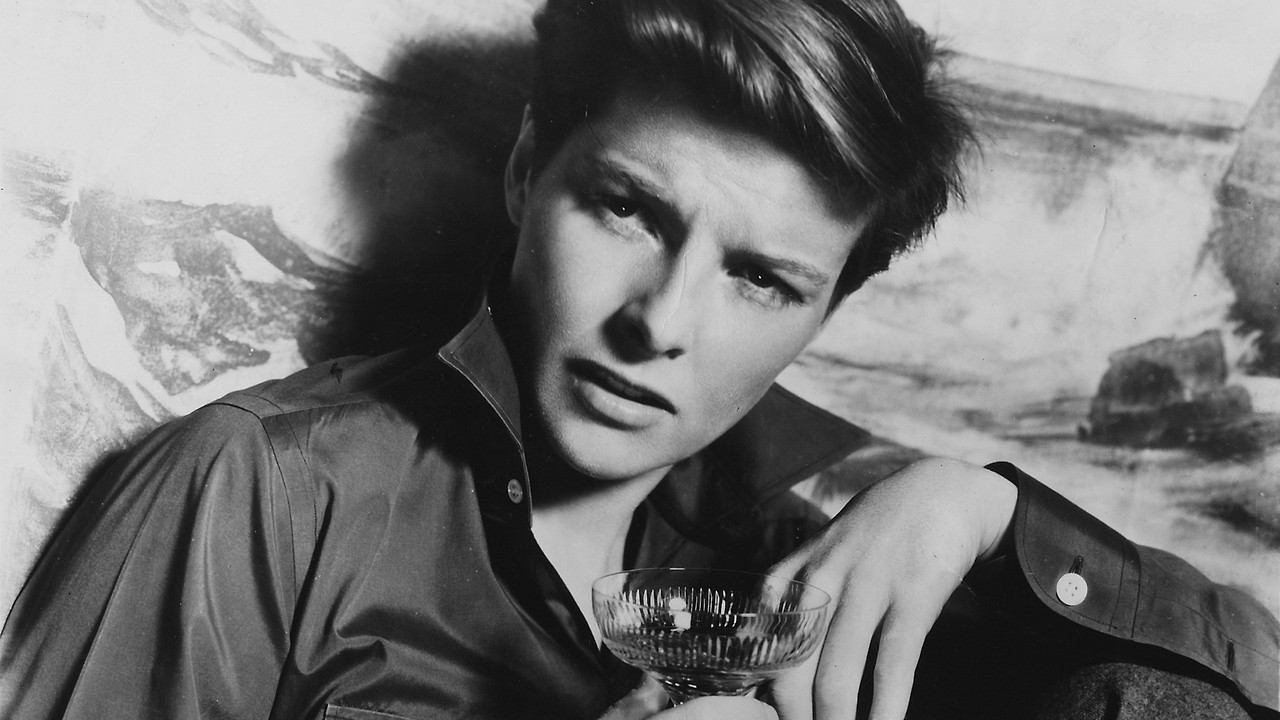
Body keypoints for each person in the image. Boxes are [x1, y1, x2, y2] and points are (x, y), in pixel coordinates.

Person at [2, 0, 1277, 718]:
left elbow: (1239, 679)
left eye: (759, 278)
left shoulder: (830, 520)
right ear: (525, 171)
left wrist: (986, 511)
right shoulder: (266, 489)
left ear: (823, 309)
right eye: (627, 210)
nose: (660, 322)